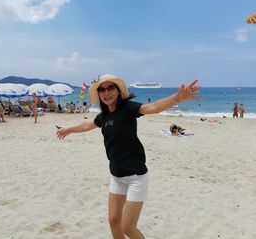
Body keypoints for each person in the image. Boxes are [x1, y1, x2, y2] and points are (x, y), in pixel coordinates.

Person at [56, 74, 201, 239]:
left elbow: (152, 108)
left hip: (136, 178)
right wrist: (68, 130)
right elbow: (87, 125)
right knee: (113, 220)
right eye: (102, 89)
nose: (106, 92)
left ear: (118, 91)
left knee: (128, 227)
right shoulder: (103, 116)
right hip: (117, 176)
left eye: (110, 88)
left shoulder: (128, 108)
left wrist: (177, 98)